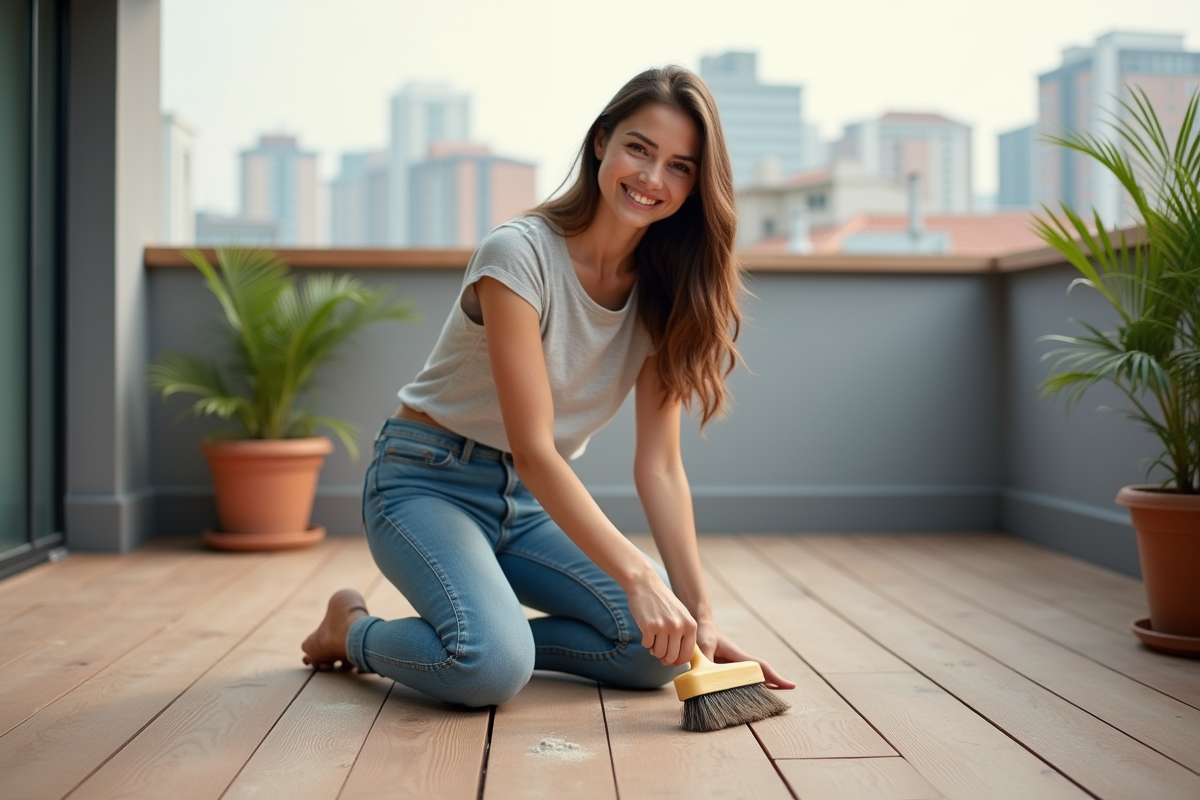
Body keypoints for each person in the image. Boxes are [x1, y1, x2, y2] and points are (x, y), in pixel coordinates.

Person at [301, 65, 794, 707]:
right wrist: (641, 574)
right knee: (488, 670)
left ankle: (495, 636)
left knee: (662, 653)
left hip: (529, 503)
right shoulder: (519, 254)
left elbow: (662, 466)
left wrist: (699, 613)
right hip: (426, 481)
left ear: (697, 184)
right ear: (602, 143)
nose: (651, 178)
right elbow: (534, 448)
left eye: (679, 166)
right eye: (639, 149)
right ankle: (352, 631)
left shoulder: (667, 290)